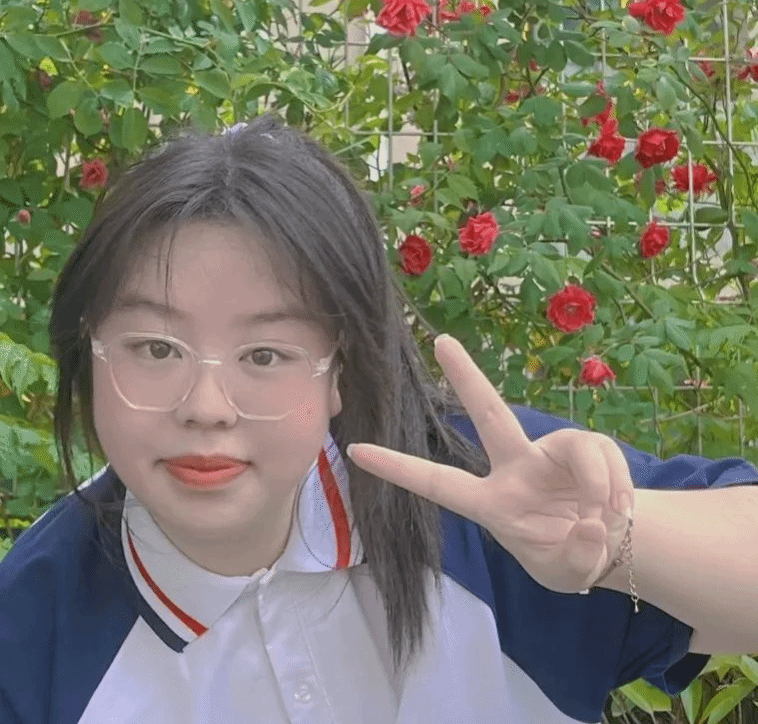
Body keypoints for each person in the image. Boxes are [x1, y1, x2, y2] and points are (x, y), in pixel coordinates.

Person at [1, 114, 757, 724]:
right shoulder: (31, 625)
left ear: (342, 369)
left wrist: (616, 543)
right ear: (87, 351)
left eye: (265, 354)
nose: (205, 408)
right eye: (156, 348)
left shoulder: (479, 500)